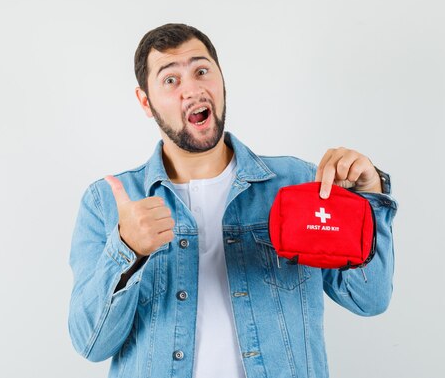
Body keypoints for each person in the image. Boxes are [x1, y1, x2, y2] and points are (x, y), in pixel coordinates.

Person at [68, 23, 397, 378]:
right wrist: (127, 250)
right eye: (170, 80)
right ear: (145, 102)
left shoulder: (300, 183)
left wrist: (368, 195)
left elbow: (369, 298)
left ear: (222, 80)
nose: (192, 88)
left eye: (201, 70)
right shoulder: (106, 203)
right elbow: (92, 343)